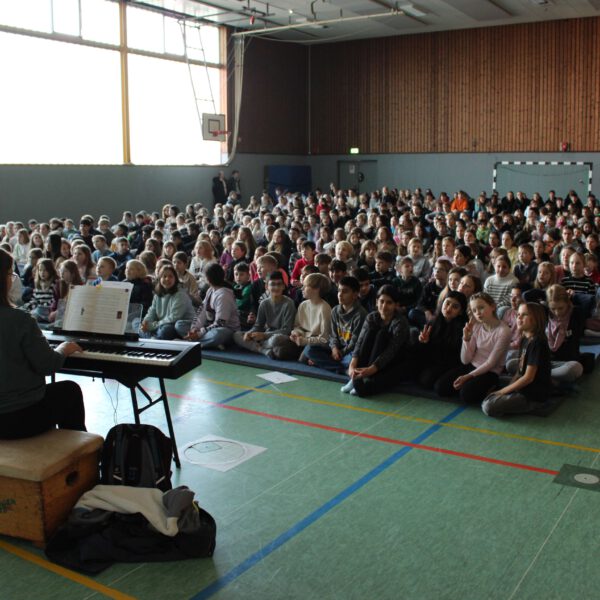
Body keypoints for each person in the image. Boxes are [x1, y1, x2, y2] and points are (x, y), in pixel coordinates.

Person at [0, 248, 86, 439]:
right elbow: (47, 365)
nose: (13, 280)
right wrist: (63, 348)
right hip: (18, 417)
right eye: (10, 275)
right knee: (69, 391)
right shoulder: (19, 320)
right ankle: (79, 462)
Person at [436, 292, 511, 404]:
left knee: (466, 396)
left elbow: (491, 363)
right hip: (472, 366)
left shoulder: (503, 331)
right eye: (474, 310)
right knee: (440, 388)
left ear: (492, 306)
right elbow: (465, 360)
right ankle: (472, 386)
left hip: (490, 371)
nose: (478, 313)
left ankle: (493, 386)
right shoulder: (476, 325)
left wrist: (467, 377)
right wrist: (466, 339)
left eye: (481, 308)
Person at [481, 302, 552, 417]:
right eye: (518, 314)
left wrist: (501, 392)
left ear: (536, 319)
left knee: (488, 406)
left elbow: (528, 378)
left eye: (524, 315)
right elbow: (520, 371)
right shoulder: (525, 338)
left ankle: (536, 405)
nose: (519, 317)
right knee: (493, 380)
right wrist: (508, 388)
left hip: (532, 395)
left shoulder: (538, 343)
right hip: (524, 386)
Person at [341, 284, 411, 398]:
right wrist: (353, 364)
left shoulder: (400, 322)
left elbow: (391, 351)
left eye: (389, 303)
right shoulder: (372, 317)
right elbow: (360, 342)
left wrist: (371, 369)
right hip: (372, 359)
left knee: (382, 334)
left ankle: (364, 377)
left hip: (394, 361)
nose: (384, 306)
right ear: (376, 301)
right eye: (381, 301)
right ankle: (356, 377)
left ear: (396, 305)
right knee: (370, 333)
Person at [303, 275, 367, 373]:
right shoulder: (335, 310)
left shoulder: (360, 314)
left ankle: (326, 363)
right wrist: (334, 349)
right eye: (339, 290)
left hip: (350, 351)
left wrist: (340, 352)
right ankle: (340, 368)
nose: (340, 294)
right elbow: (333, 335)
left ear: (355, 294)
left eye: (345, 291)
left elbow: (355, 342)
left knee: (354, 359)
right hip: (336, 348)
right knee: (309, 349)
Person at [175, 263, 240, 348]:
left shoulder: (224, 295)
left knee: (217, 334)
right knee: (179, 325)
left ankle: (191, 343)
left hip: (227, 330)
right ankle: (206, 343)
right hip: (209, 327)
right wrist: (194, 329)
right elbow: (201, 311)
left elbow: (221, 323)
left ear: (208, 279)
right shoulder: (210, 290)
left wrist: (199, 333)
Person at [233, 271, 296, 357]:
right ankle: (263, 350)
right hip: (266, 336)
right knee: (237, 335)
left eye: (279, 284)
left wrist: (264, 335)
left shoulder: (289, 303)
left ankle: (259, 346)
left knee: (277, 339)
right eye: (273, 284)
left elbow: (287, 330)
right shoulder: (264, 303)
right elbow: (258, 325)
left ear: (283, 286)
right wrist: (250, 332)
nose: (276, 287)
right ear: (267, 287)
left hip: (279, 336)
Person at [416, 291, 468, 391]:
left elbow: (457, 357)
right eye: (447, 303)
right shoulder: (433, 321)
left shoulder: (463, 327)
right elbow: (427, 352)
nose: (448, 308)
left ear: (461, 311)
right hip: (436, 361)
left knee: (440, 388)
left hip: (453, 365)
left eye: (455, 307)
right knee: (424, 380)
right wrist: (424, 342)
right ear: (442, 303)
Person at [141, 264, 194, 340]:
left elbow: (174, 318)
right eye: (164, 276)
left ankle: (153, 338)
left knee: (165, 331)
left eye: (170, 276)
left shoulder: (180, 294)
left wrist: (151, 326)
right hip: (162, 324)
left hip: (178, 325)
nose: (167, 279)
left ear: (175, 279)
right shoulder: (157, 295)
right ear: (160, 278)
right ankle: (155, 338)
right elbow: (152, 312)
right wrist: (145, 323)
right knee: (137, 323)